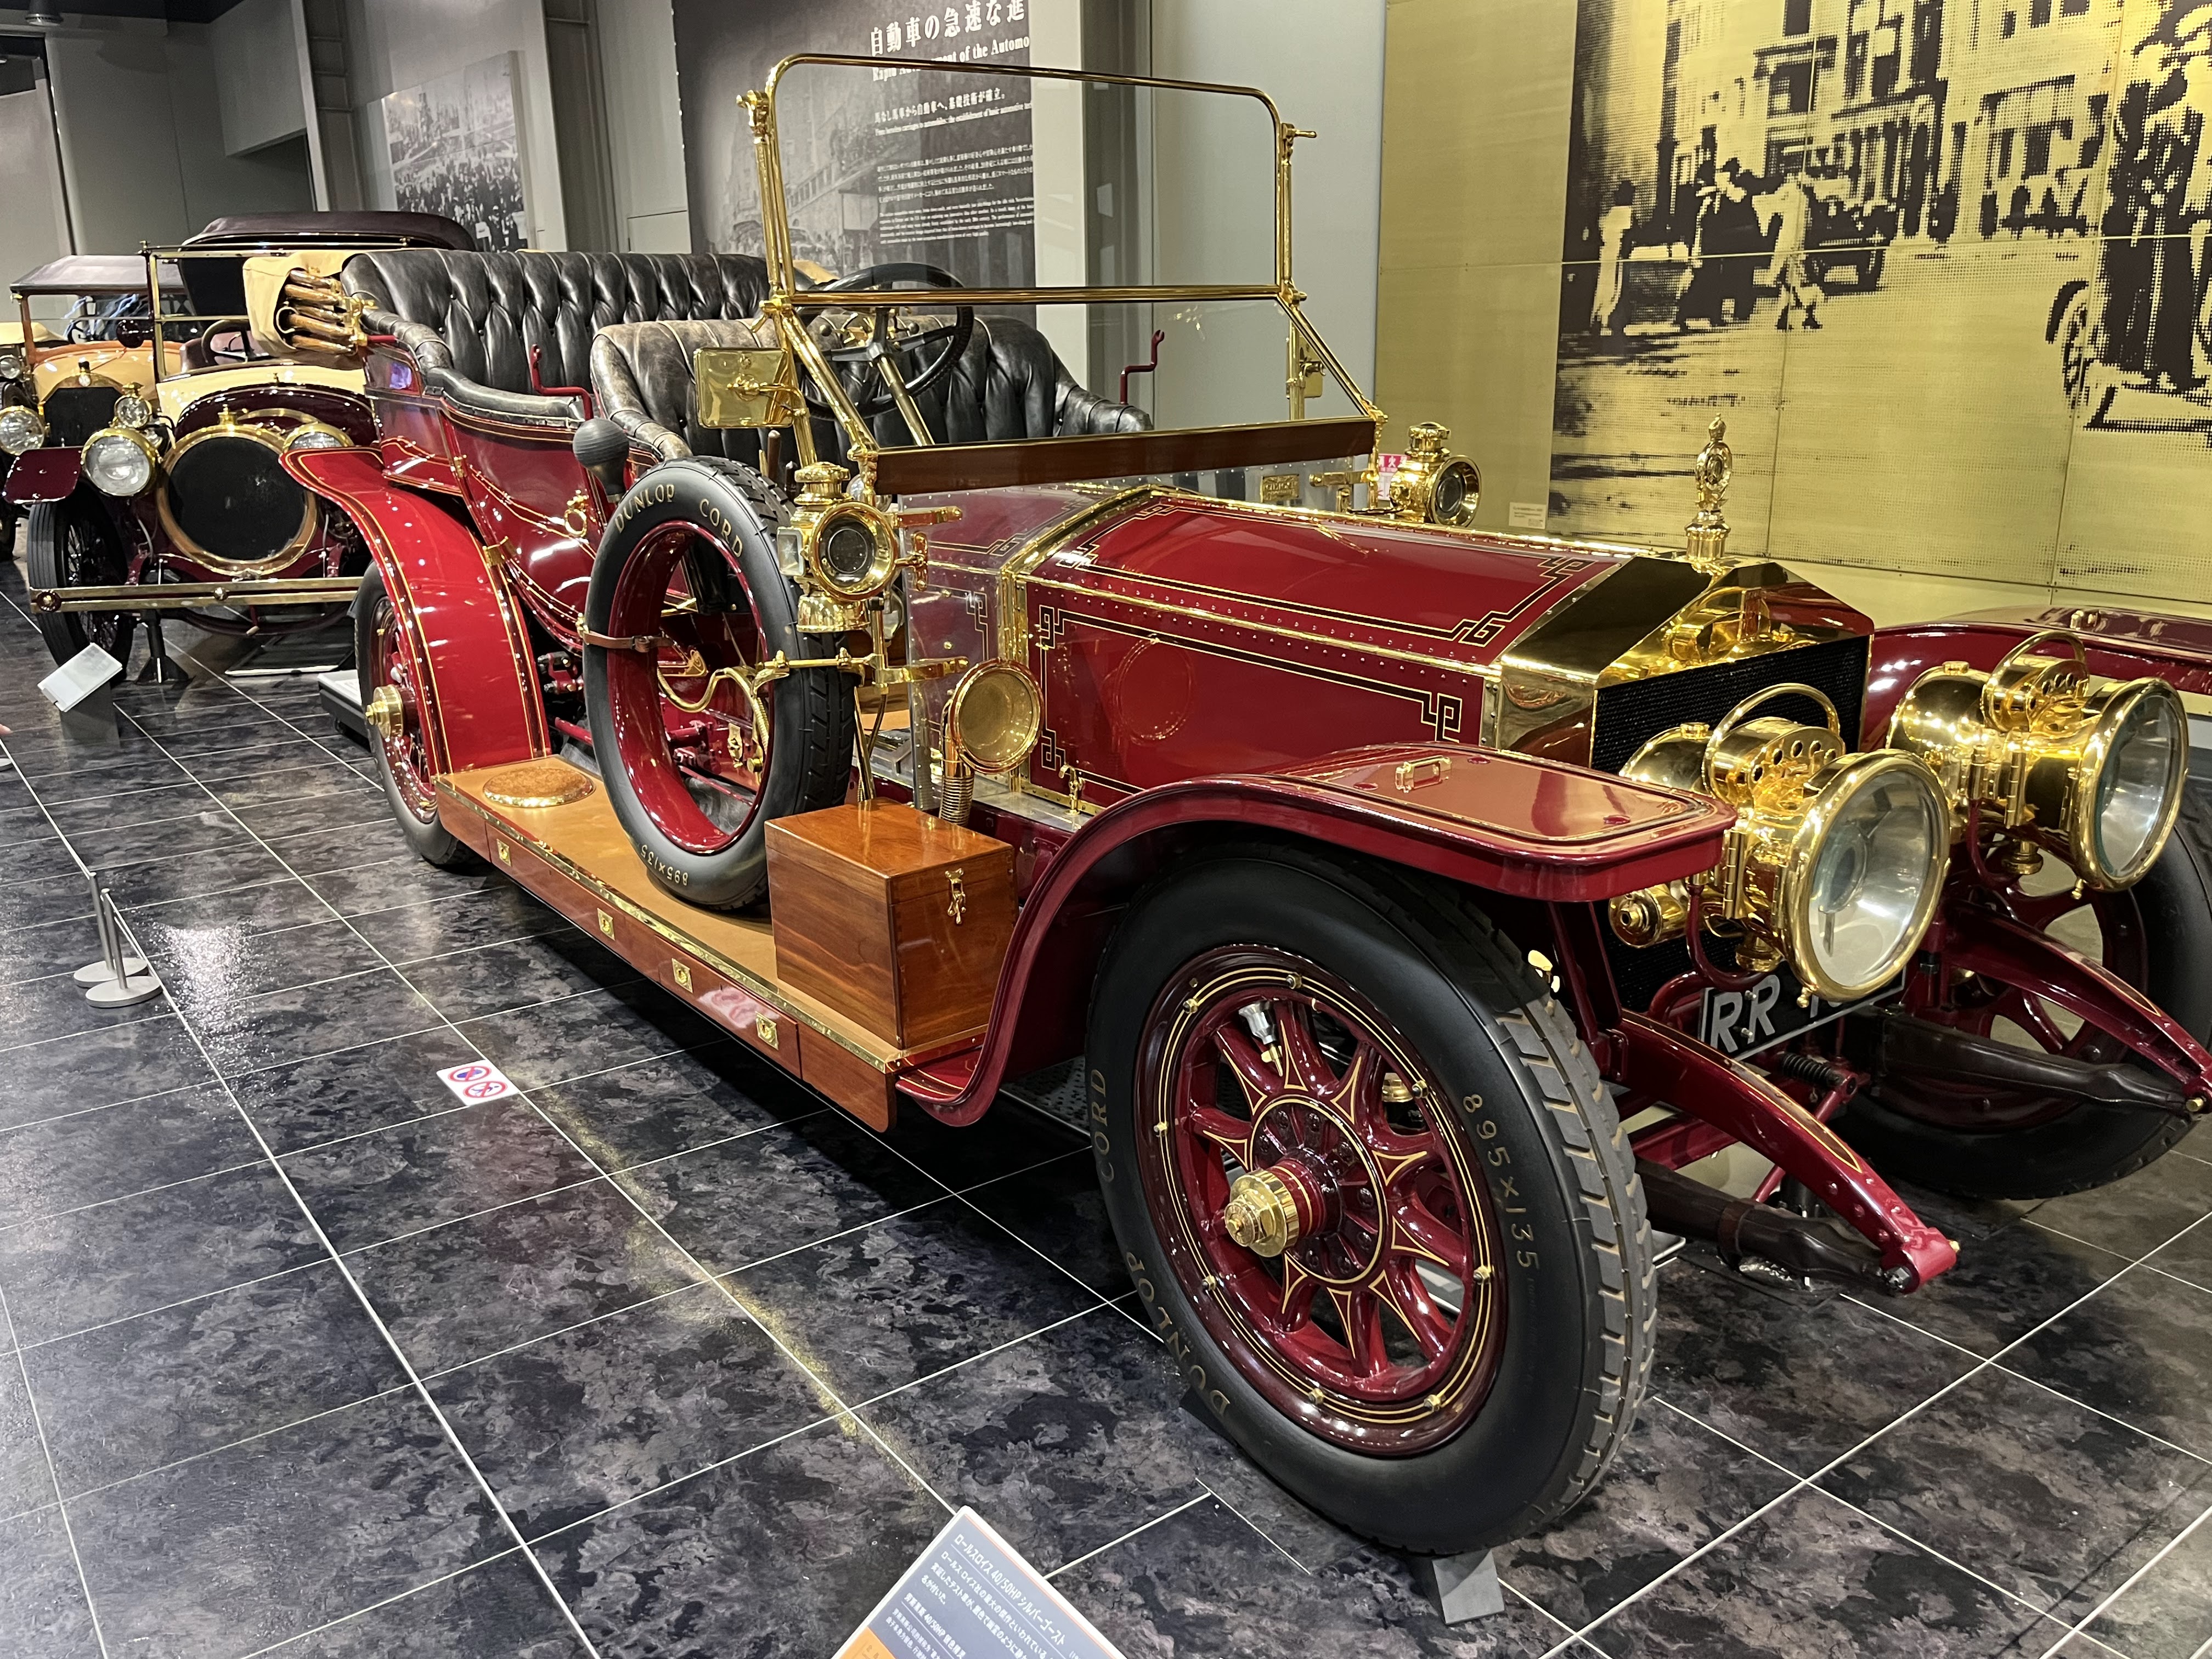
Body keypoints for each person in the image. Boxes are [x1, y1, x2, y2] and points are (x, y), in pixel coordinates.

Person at [1766, 172, 1824, 330]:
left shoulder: (1791, 198)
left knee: (1788, 284)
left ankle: (1783, 317)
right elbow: (1804, 230)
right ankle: (1808, 317)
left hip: (1785, 248)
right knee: (1804, 284)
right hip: (1796, 250)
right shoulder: (1806, 203)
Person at [1590, 179, 1637, 335]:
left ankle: (1601, 317)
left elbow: (1605, 234)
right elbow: (1631, 234)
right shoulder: (1627, 212)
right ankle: (1610, 319)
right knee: (1617, 287)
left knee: (1605, 285)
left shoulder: (1612, 213)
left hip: (1608, 254)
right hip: (1618, 255)